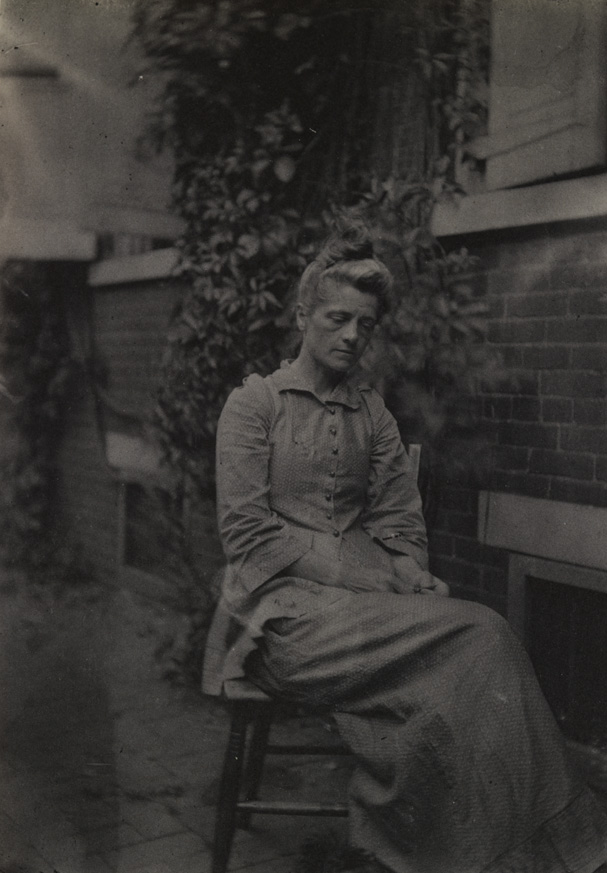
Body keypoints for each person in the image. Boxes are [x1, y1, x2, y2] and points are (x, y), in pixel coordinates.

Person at [204, 225, 607, 872]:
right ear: (302, 315)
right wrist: (367, 576)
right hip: (278, 621)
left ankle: (508, 851)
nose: (350, 336)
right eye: (336, 318)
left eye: (364, 325)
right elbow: (247, 535)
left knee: (475, 651)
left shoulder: (372, 413)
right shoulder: (254, 406)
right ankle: (548, 852)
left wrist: (408, 570)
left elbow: (397, 516)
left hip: (367, 619)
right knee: (480, 637)